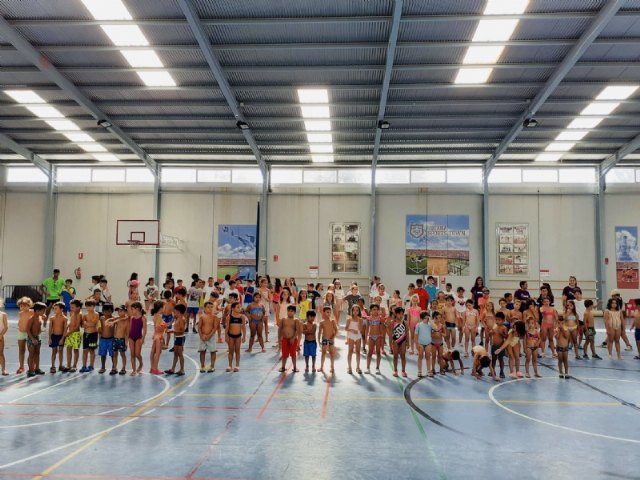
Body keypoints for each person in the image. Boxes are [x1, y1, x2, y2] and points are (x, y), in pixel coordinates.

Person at [165, 303, 187, 376]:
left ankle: (182, 369)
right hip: (177, 337)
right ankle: (173, 369)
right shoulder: (178, 318)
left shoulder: (182, 320)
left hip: (180, 338)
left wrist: (172, 331)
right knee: (175, 354)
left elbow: (182, 331)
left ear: (178, 311)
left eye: (175, 311)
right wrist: (170, 324)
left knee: (180, 354)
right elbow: (174, 318)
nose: (174, 313)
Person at [197, 300, 219, 373]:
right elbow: (199, 327)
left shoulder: (215, 317)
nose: (210, 308)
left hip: (211, 337)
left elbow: (215, 327)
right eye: (208, 307)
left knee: (213, 351)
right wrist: (201, 336)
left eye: (211, 307)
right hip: (203, 336)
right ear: (204, 308)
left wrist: (209, 335)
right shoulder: (202, 317)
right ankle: (202, 366)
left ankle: (212, 366)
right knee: (202, 351)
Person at [26, 302, 46, 377]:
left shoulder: (40, 317)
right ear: (37, 311)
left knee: (37, 353)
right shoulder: (31, 319)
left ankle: (37, 368)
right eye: (43, 311)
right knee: (31, 353)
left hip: (38, 337)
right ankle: (30, 369)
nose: (44, 312)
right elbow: (27, 330)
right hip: (31, 338)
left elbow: (40, 326)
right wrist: (32, 339)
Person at [279, 305, 301, 373]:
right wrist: (280, 338)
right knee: (284, 354)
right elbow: (280, 329)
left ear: (294, 312)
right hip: (284, 339)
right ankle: (283, 367)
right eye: (288, 311)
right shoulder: (283, 319)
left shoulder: (296, 320)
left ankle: (294, 367)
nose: (290, 312)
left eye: (291, 311)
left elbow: (298, 331)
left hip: (293, 340)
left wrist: (293, 338)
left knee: (293, 354)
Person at [225, 302, 246, 372]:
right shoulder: (229, 317)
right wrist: (226, 336)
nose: (239, 308)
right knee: (230, 351)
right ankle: (230, 365)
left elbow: (243, 327)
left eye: (240, 307)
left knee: (237, 351)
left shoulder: (242, 317)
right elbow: (227, 328)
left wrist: (244, 336)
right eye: (237, 307)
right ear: (233, 308)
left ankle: (237, 365)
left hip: (238, 337)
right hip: (231, 336)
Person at [62, 299, 82, 373]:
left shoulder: (79, 314)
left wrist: (69, 333)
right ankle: (68, 365)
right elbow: (70, 323)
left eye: (73, 307)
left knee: (75, 350)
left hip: (75, 334)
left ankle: (74, 365)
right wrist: (67, 328)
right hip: (70, 334)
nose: (71, 308)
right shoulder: (72, 313)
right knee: (68, 349)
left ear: (78, 307)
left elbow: (77, 326)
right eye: (71, 307)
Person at [79, 300, 99, 373]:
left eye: (90, 306)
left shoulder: (96, 314)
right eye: (87, 306)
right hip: (86, 334)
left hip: (93, 335)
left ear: (94, 306)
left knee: (92, 350)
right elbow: (82, 325)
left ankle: (91, 365)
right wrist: (87, 323)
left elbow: (93, 324)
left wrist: (86, 323)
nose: (88, 308)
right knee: (85, 350)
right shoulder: (85, 315)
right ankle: (84, 366)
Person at [48, 302, 68, 374]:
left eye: (56, 309)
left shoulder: (64, 318)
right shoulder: (52, 318)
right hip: (54, 336)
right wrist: (49, 338)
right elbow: (50, 329)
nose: (54, 310)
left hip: (61, 336)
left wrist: (62, 339)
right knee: (54, 351)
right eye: (54, 309)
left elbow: (65, 329)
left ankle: (60, 365)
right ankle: (53, 366)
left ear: (61, 309)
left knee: (61, 351)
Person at [109, 305, 129, 375]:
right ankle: (114, 368)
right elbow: (112, 320)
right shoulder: (117, 319)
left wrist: (126, 342)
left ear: (125, 311)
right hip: (115, 339)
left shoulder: (126, 319)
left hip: (122, 339)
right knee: (114, 354)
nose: (119, 313)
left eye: (121, 311)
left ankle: (123, 368)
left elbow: (126, 333)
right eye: (118, 311)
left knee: (122, 354)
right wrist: (108, 321)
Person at [318, 306, 338, 374]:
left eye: (330, 312)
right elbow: (319, 332)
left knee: (332, 353)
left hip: (331, 339)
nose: (329, 314)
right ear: (323, 313)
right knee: (323, 353)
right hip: (324, 339)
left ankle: (332, 367)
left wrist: (333, 337)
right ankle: (321, 367)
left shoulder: (332, 321)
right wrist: (318, 340)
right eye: (327, 312)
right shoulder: (322, 322)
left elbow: (336, 330)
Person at [128, 302, 146, 376]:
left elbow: (145, 329)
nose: (131, 311)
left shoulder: (143, 318)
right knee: (132, 354)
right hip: (131, 337)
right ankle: (134, 370)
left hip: (139, 337)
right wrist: (128, 337)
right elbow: (130, 328)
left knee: (137, 354)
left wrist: (143, 339)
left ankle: (141, 363)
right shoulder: (132, 318)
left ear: (137, 309)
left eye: (132, 309)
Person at [16, 297, 33, 374]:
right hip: (21, 333)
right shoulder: (20, 313)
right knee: (21, 350)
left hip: (30, 334)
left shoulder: (32, 312)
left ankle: (32, 366)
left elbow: (42, 317)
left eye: (25, 306)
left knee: (31, 351)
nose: (23, 307)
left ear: (29, 305)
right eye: (21, 306)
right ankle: (21, 366)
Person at [149, 301, 167, 375]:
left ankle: (152, 367)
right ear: (160, 308)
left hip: (155, 335)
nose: (164, 308)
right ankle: (155, 368)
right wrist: (164, 326)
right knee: (158, 353)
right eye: (164, 307)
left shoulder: (155, 315)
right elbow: (157, 327)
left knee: (153, 352)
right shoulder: (159, 316)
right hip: (159, 336)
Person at [389, 306, 408, 377]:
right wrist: (390, 342)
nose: (401, 315)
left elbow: (406, 332)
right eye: (399, 314)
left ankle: (403, 370)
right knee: (395, 356)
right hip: (395, 340)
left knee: (403, 355)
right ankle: (395, 370)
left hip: (403, 340)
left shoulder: (405, 322)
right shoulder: (392, 322)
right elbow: (391, 333)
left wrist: (407, 342)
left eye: (402, 314)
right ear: (395, 314)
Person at [98, 303, 116, 374]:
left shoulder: (113, 319)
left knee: (112, 355)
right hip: (103, 339)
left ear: (112, 311)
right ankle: (103, 367)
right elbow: (99, 327)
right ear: (102, 311)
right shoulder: (101, 318)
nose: (107, 313)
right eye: (105, 311)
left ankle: (114, 367)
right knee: (103, 354)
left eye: (109, 311)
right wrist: (99, 330)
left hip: (111, 339)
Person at [345, 305, 363, 374]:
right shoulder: (349, 319)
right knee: (350, 351)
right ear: (352, 311)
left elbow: (361, 329)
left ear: (359, 311)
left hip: (358, 336)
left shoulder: (360, 319)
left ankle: (358, 367)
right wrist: (352, 330)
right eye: (354, 310)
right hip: (351, 336)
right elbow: (346, 328)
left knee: (358, 352)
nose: (355, 312)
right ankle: (349, 367)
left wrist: (359, 322)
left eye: (357, 310)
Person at [415, 311, 432, 378]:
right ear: (422, 318)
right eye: (425, 318)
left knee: (428, 357)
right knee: (420, 357)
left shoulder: (430, 325)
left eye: (428, 318)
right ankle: (419, 371)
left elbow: (435, 328)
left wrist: (431, 321)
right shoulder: (418, 325)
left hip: (428, 343)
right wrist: (417, 344)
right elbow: (416, 335)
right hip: (421, 343)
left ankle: (428, 370)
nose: (427, 319)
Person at [490, 312, 507, 379]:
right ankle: (492, 370)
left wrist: (502, 334)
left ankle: (501, 371)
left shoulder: (504, 328)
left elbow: (506, 337)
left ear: (503, 320)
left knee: (500, 359)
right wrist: (491, 333)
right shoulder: (494, 326)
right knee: (493, 359)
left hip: (500, 346)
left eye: (499, 320)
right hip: (494, 345)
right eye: (496, 319)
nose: (497, 321)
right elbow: (490, 334)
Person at [429, 311, 444, 377]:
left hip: (440, 343)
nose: (438, 319)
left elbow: (445, 334)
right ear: (434, 318)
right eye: (437, 318)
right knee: (433, 357)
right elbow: (429, 334)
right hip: (433, 343)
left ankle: (441, 369)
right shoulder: (431, 326)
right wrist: (433, 333)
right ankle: (433, 369)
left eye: (439, 318)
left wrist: (440, 333)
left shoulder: (441, 325)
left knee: (440, 357)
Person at [0, 303, 7, 376]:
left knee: (0, 353)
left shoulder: (3, 314)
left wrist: (1, 334)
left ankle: (3, 369)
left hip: (0, 337)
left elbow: (6, 326)